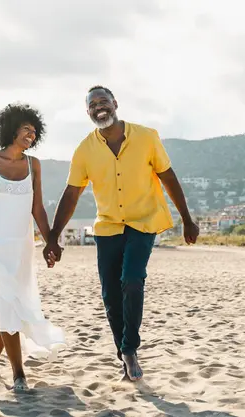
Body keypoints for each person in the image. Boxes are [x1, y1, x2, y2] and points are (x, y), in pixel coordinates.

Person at [43, 86, 199, 382]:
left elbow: (168, 177)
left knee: (131, 279)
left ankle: (129, 349)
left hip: (144, 221)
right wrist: (53, 237)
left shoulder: (147, 137)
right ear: (87, 112)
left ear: (115, 104)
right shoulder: (84, 149)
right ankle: (124, 354)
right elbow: (72, 193)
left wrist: (187, 219)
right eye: (93, 104)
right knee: (110, 295)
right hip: (109, 226)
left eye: (103, 101)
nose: (99, 107)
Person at [0, 103, 65, 391]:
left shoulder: (34, 165)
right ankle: (19, 374)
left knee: (11, 304)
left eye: (35, 132)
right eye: (26, 129)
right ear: (11, 129)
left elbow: (38, 208)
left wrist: (51, 242)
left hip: (21, 248)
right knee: (9, 303)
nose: (31, 136)